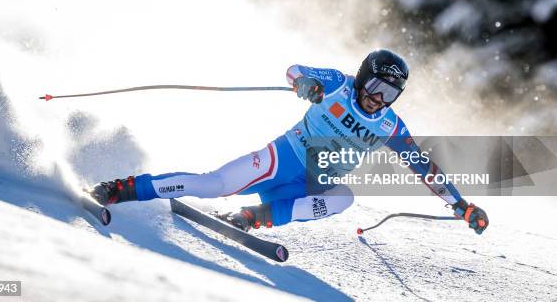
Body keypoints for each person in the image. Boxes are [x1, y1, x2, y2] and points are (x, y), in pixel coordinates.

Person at [89, 49, 488, 234]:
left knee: (344, 197)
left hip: (312, 184)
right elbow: (295, 69)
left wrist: (461, 205)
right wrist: (306, 84)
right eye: (377, 86)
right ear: (365, 76)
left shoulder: (390, 126)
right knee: (213, 185)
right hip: (283, 159)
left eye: (390, 94)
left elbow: (424, 168)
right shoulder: (339, 85)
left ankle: (255, 218)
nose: (379, 98)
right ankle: (122, 189)